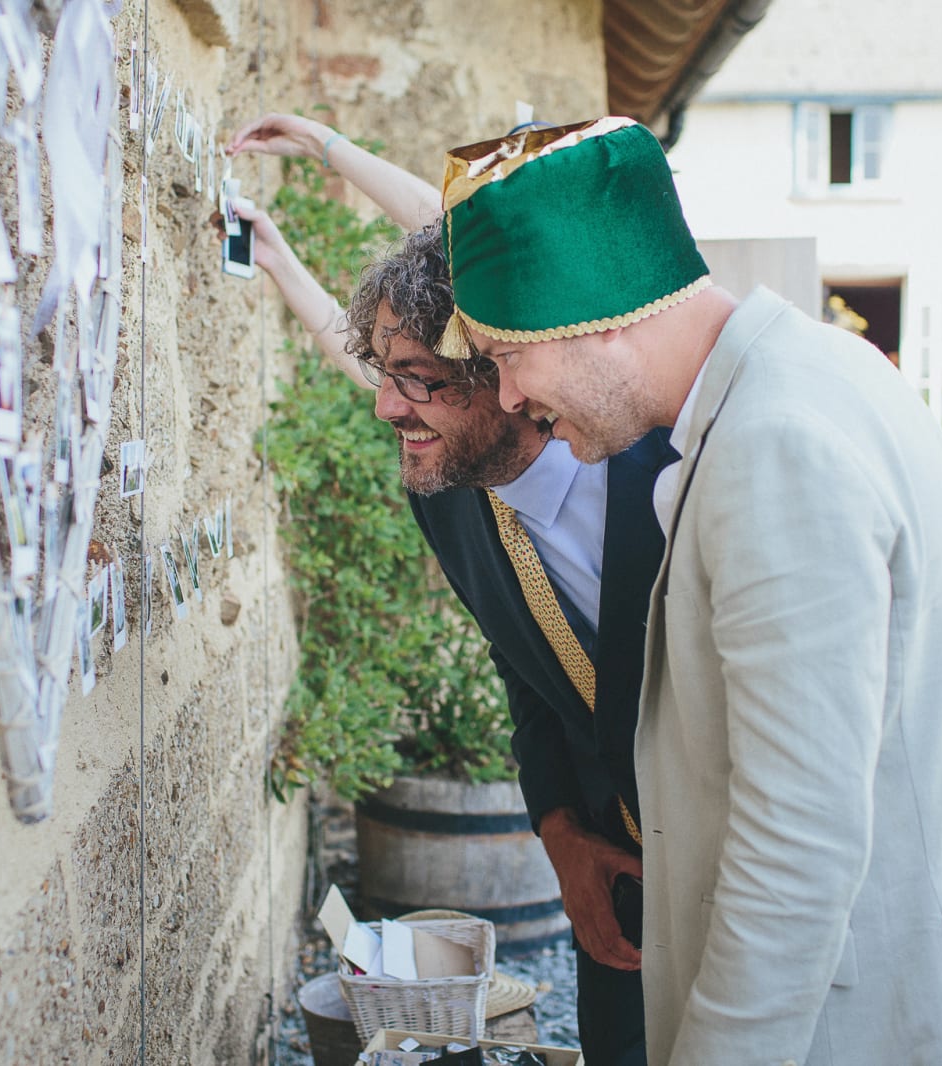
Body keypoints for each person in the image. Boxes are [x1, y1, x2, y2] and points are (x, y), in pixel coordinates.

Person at [438, 117, 942, 1065]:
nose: (507, 396)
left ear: (595, 316)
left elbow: (798, 839)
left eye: (505, 356)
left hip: (859, 1013)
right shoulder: (816, 367)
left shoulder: (774, 444)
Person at [226, 113, 668, 1066]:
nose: (390, 408)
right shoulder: (450, 485)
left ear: (511, 372)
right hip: (614, 875)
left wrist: (331, 149)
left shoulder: (670, 466)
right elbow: (529, 673)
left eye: (421, 379)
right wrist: (561, 832)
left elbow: (456, 232)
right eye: (390, 379)